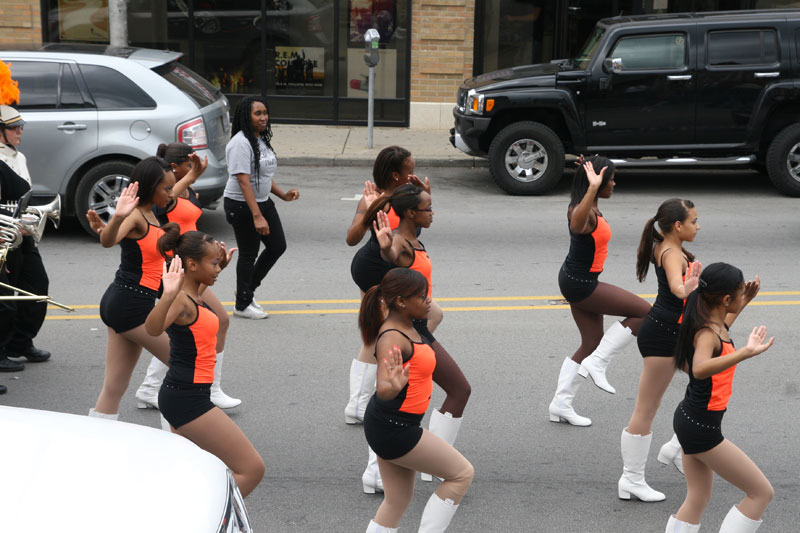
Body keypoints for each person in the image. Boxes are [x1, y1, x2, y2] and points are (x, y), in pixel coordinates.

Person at [145, 227, 264, 498]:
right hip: (187, 399)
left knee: (188, 473)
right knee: (252, 469)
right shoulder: (180, 299)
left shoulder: (195, 292)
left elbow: (200, 284)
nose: (218, 269)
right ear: (190, 264)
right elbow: (152, 329)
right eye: (213, 263)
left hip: (187, 395)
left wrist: (216, 264)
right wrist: (166, 294)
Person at [369, 184, 470, 484]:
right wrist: (386, 248)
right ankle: (431, 462)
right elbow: (392, 253)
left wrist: (417, 192)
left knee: (441, 393)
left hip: (419, 327)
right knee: (455, 390)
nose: (433, 212)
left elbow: (409, 224)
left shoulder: (414, 236)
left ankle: (427, 461)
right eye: (428, 207)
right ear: (411, 213)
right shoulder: (402, 243)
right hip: (413, 332)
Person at [360, 268, 473, 532]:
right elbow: (384, 387)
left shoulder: (409, 324)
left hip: (389, 426)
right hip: (395, 429)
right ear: (401, 302)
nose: (428, 301)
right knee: (461, 474)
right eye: (422, 297)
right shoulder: (392, 337)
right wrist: (391, 387)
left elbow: (434, 314)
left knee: (397, 500)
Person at [665, 263, 774, 532]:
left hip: (691, 421)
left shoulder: (712, 325)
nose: (740, 297)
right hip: (702, 429)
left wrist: (745, 301)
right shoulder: (706, 333)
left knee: (698, 497)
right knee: (761, 492)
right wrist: (745, 353)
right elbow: (700, 368)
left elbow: (721, 332)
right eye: (738, 294)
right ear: (726, 299)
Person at [135, 142, 241, 411]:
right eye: (187, 163)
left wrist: (212, 258)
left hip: (197, 261)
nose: (193, 165)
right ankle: (207, 389)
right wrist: (190, 176)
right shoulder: (168, 196)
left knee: (195, 327)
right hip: (185, 266)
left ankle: (150, 388)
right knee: (208, 323)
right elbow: (168, 203)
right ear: (174, 168)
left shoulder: (189, 190)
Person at [548, 158, 651, 426]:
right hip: (581, 284)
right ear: (597, 182)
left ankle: (560, 404)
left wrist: (590, 184)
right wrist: (592, 187)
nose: (615, 184)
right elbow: (576, 224)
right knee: (645, 313)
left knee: (591, 341)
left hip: (577, 279)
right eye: (612, 179)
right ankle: (598, 364)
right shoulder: (582, 211)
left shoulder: (590, 206)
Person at [617, 199, 702, 503]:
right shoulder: (670, 252)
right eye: (694, 221)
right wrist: (688, 286)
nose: (698, 225)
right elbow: (677, 290)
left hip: (671, 332)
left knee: (708, 381)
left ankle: (677, 447)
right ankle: (631, 479)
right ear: (678, 226)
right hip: (662, 336)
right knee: (646, 409)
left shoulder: (665, 245)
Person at [345, 146, 432, 427]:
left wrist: (425, 198)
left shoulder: (406, 198)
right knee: (376, 336)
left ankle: (396, 368)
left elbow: (416, 223)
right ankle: (358, 404)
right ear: (396, 174)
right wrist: (370, 208)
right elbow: (351, 238)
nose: (414, 174)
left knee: (429, 316)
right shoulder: (379, 200)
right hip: (373, 269)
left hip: (392, 271)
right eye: (410, 170)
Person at [86, 157, 175, 419]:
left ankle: (95, 445)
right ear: (150, 187)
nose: (171, 194)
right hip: (130, 305)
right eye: (166, 189)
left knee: (114, 387)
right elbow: (108, 240)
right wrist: (116, 218)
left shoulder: (152, 212)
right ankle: (176, 439)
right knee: (185, 365)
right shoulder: (134, 215)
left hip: (126, 302)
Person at [223, 96, 299, 319]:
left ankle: (247, 290)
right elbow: (243, 181)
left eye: (265, 113)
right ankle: (242, 305)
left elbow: (263, 176)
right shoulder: (240, 143)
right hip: (241, 204)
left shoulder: (259, 140)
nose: (264, 117)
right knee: (248, 253)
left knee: (277, 246)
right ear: (246, 116)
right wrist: (257, 216)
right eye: (258, 113)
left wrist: (283, 195)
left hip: (262, 201)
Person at [0, 104, 52, 377]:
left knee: (36, 286)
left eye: (21, 126)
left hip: (22, 233)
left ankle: (21, 341)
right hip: (4, 236)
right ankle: (2, 349)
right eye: (13, 127)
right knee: (5, 298)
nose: (20, 131)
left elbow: (24, 195)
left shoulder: (18, 156)